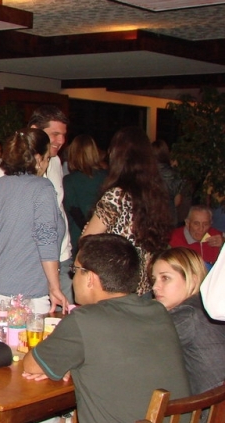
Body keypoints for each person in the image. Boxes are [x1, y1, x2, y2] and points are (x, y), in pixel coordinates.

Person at [21, 234, 190, 423]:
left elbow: (31, 363)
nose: (72, 277)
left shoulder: (85, 321)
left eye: (75, 270)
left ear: (91, 278)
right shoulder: (157, 313)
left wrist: (68, 360)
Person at [0, 128, 67, 313]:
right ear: (38, 158)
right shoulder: (42, 188)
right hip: (28, 293)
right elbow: (46, 239)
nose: (47, 164)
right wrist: (54, 286)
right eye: (47, 158)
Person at [81, 126, 173, 296]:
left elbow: (87, 240)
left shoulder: (117, 195)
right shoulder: (155, 196)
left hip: (117, 286)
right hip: (145, 285)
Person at [0, 106, 73, 301]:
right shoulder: (5, 171)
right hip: (28, 265)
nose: (61, 141)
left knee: (63, 324)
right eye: (55, 134)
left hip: (61, 258)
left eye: (63, 135)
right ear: (35, 130)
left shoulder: (54, 162)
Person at [151, 247, 225, 395]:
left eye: (165, 278)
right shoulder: (205, 307)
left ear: (193, 279)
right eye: (154, 279)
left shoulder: (187, 314)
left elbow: (141, 346)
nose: (155, 287)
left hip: (206, 413)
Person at [62, 134, 106, 253]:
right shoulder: (107, 177)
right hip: (104, 239)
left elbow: (74, 212)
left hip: (78, 241)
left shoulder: (69, 181)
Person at [153, 139, 185, 226]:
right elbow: (177, 201)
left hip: (151, 216)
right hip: (169, 216)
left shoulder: (146, 173)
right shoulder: (174, 174)